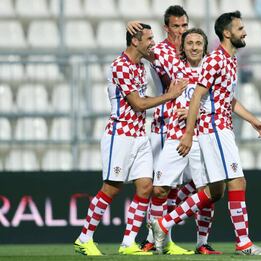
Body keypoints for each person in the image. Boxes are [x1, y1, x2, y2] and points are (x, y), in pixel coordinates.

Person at [151, 11, 261, 256]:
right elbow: (198, 94)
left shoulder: (230, 59)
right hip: (215, 128)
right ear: (227, 33)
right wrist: (188, 133)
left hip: (220, 126)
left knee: (214, 191)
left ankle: (163, 223)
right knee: (238, 181)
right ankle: (244, 243)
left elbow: (228, 99)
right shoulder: (216, 60)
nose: (245, 32)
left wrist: (253, 121)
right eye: (240, 29)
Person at [73, 23, 187, 256]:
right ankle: (84, 238)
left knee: (145, 187)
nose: (152, 43)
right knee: (111, 188)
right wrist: (170, 96)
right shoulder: (120, 66)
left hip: (139, 135)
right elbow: (138, 103)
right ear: (135, 41)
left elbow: (144, 95)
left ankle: (128, 243)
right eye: (148, 38)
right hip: (120, 135)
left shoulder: (141, 66)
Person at [126, 5, 210, 255]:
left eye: (184, 26)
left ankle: (196, 240)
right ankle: (152, 237)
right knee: (161, 185)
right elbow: (137, 47)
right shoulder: (160, 50)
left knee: (196, 185)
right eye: (176, 26)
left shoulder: (196, 53)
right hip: (165, 123)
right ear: (167, 28)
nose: (181, 31)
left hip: (193, 125)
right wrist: (132, 25)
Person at [152, 28, 222, 255]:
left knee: (206, 192)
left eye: (198, 43)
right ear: (182, 47)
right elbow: (148, 51)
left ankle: (202, 242)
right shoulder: (176, 67)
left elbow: (221, 104)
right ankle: (156, 240)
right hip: (175, 136)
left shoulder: (211, 70)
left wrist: (196, 113)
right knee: (160, 189)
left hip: (203, 138)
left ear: (204, 47)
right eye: (189, 43)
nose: (193, 47)